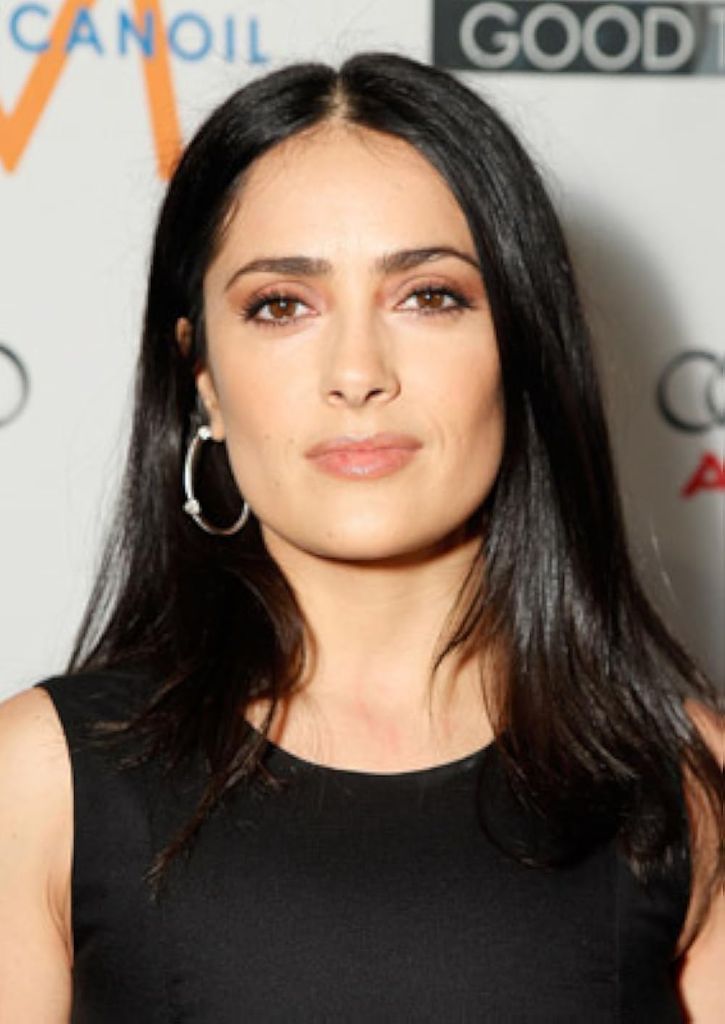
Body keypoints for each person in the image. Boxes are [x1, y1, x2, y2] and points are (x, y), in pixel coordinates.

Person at [0, 52, 722, 1022]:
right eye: (280, 305)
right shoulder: (38, 782)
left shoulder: (688, 781)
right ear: (201, 378)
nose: (356, 371)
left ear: (519, 345)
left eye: (429, 296)